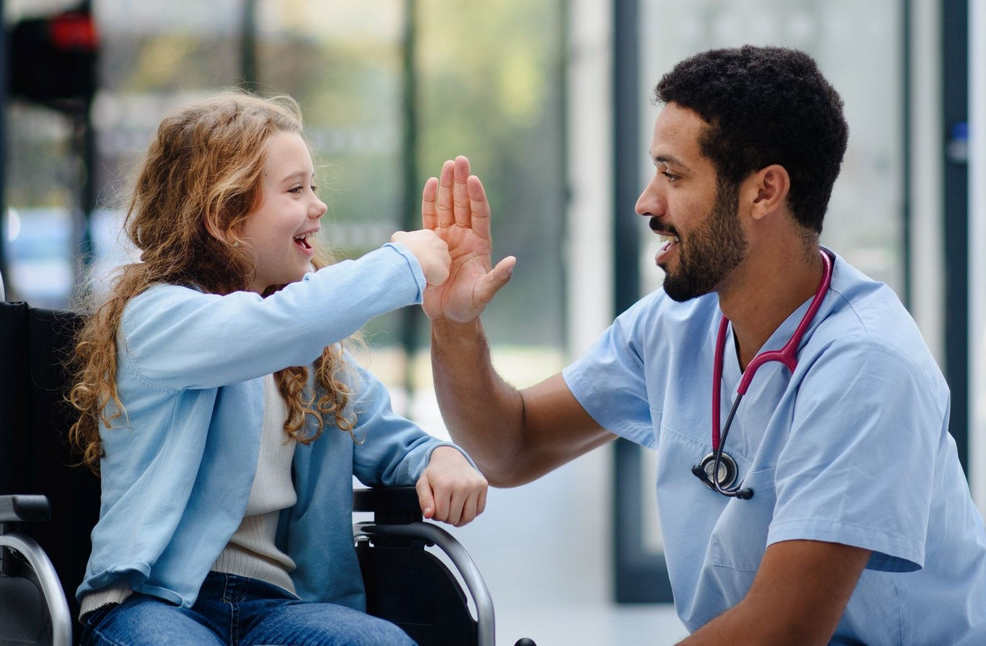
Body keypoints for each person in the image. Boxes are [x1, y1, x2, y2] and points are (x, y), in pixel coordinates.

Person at [423, 45, 986, 645]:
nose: (646, 202)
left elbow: (783, 630)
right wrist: (456, 324)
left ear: (764, 192)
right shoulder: (675, 324)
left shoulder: (867, 365)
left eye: (672, 175)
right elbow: (511, 447)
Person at [68, 90, 488, 646]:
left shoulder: (310, 355)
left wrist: (439, 457)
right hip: (156, 602)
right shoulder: (158, 319)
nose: (318, 206)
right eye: (295, 189)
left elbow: (387, 436)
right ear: (223, 216)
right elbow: (272, 328)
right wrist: (403, 266)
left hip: (275, 607)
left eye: (314, 186)